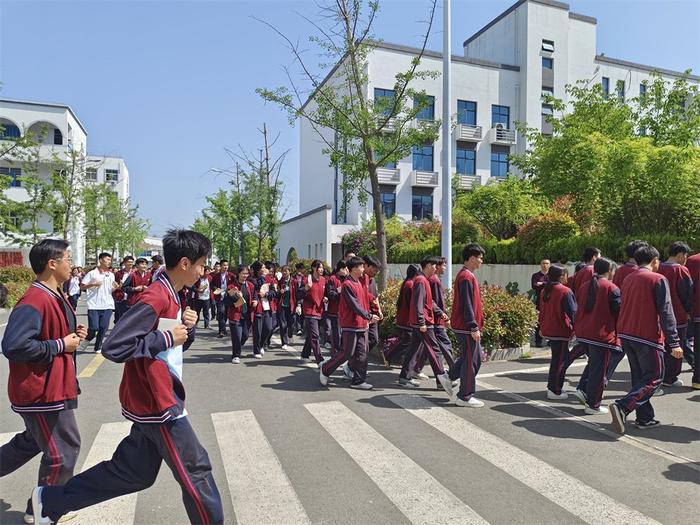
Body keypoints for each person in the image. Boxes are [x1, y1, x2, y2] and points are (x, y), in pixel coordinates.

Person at [31, 229, 224, 525]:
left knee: (133, 473)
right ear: (185, 263)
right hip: (159, 403)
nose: (203, 271)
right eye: (201, 264)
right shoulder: (156, 295)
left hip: (156, 399)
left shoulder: (170, 293)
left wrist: (187, 328)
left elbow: (167, 344)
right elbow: (115, 346)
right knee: (197, 471)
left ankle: (51, 501)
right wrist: (165, 337)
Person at [1, 239, 87, 524]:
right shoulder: (35, 299)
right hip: (42, 392)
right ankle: (43, 508)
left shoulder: (53, 294)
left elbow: (49, 335)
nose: (71, 263)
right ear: (52, 263)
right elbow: (13, 345)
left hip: (52, 387)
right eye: (68, 258)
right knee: (62, 450)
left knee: (31, 442)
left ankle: (42, 504)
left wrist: (71, 335)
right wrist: (61, 345)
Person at [610, 245, 682, 434]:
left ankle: (645, 417)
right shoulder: (657, 279)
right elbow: (666, 311)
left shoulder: (628, 277)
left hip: (627, 333)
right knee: (654, 378)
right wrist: (674, 341)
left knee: (639, 378)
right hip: (647, 335)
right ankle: (623, 406)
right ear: (654, 260)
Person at [319, 256, 379, 390]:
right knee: (346, 353)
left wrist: (374, 306)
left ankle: (358, 381)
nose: (363, 269)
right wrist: (368, 316)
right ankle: (325, 369)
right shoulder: (347, 284)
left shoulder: (359, 282)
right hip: (350, 324)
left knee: (363, 353)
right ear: (353, 268)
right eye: (361, 266)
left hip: (362, 324)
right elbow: (355, 305)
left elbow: (364, 299)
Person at [397, 256, 454, 397]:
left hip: (421, 323)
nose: (436, 267)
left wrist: (440, 313)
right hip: (423, 323)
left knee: (413, 349)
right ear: (428, 265)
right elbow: (418, 303)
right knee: (435, 351)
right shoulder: (421, 281)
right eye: (434, 265)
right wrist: (422, 322)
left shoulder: (423, 280)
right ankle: (442, 380)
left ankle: (405, 377)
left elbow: (430, 302)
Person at [571, 258, 621, 414]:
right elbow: (619, 311)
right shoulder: (611, 288)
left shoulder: (586, 286)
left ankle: (584, 392)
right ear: (609, 270)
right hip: (601, 336)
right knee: (599, 372)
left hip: (584, 333)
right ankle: (593, 405)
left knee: (594, 367)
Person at [449, 244, 486, 407]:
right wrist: (473, 327)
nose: (481, 261)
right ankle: (464, 396)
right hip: (466, 327)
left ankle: (449, 377)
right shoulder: (466, 277)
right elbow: (467, 304)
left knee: (470, 358)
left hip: (465, 326)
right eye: (479, 258)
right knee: (473, 359)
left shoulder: (467, 275)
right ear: (471, 258)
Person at [657, 241, 693, 388]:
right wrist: (689, 311)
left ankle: (661, 374)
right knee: (677, 346)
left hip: (659, 315)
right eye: (685, 256)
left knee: (663, 346)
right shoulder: (680, 270)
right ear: (679, 255)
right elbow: (688, 294)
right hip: (677, 315)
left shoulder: (658, 268)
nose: (685, 259)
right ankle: (670, 377)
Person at [539, 264, 577, 400]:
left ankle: (553, 387)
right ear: (562, 276)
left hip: (549, 329)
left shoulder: (545, 290)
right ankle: (554, 389)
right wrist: (578, 328)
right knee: (560, 361)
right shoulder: (565, 291)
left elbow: (542, 311)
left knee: (557, 360)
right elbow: (573, 313)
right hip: (561, 331)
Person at [80, 252, 117, 353]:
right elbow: (82, 286)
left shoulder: (111, 275)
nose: (109, 262)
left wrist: (115, 288)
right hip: (94, 305)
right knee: (93, 327)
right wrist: (92, 284)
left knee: (103, 327)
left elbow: (110, 290)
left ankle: (98, 347)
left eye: (110, 260)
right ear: (100, 260)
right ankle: (87, 340)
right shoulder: (92, 273)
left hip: (108, 305)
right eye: (107, 259)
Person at [383, 264, 419, 364]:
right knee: (407, 341)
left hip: (403, 317)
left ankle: (391, 356)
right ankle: (389, 355)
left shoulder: (406, 283)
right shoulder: (411, 284)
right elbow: (412, 303)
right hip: (407, 319)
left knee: (406, 340)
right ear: (416, 274)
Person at [300, 259, 327, 365]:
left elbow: (326, 293)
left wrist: (326, 298)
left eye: (322, 267)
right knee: (315, 336)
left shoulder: (324, 280)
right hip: (310, 311)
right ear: (313, 268)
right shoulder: (308, 280)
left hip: (320, 310)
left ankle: (305, 354)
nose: (321, 269)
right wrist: (306, 288)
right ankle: (319, 359)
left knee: (311, 335)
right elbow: (299, 294)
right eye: (319, 267)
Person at [227, 265, 255, 363]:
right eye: (243, 273)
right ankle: (236, 355)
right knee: (236, 337)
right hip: (235, 315)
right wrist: (237, 296)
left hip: (247, 315)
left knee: (246, 335)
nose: (245, 275)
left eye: (246, 273)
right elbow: (229, 300)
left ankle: (238, 346)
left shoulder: (250, 285)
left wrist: (255, 301)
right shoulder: (231, 286)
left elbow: (254, 296)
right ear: (238, 274)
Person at [251, 261, 277, 358]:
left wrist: (266, 294)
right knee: (257, 330)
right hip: (258, 307)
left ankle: (261, 344)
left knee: (268, 328)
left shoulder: (269, 279)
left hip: (267, 306)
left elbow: (273, 292)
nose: (264, 269)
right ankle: (256, 350)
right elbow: (257, 287)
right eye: (262, 267)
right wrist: (262, 277)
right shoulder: (253, 279)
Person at [325, 260, 348, 355]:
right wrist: (341, 294)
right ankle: (335, 354)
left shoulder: (348, 279)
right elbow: (330, 294)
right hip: (335, 311)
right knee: (337, 335)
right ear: (341, 269)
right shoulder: (333, 279)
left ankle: (341, 354)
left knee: (344, 335)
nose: (347, 270)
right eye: (346, 268)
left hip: (345, 312)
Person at [686, 251, 700, 389]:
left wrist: (687, 309)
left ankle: (698, 379)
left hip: (697, 310)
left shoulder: (692, 260)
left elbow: (688, 287)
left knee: (698, 347)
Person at [531, 259, 550, 347]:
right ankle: (538, 340)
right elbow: (534, 286)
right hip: (539, 301)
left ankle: (550, 340)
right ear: (540, 264)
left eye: (547, 263)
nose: (545, 265)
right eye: (543, 263)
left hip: (551, 301)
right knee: (539, 320)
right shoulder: (536, 275)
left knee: (550, 320)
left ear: (549, 265)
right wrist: (545, 284)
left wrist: (542, 284)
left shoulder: (551, 275)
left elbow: (552, 285)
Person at [210, 259, 232, 338]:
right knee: (221, 312)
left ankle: (223, 328)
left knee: (226, 313)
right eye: (224, 265)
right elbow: (211, 285)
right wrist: (216, 289)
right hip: (219, 297)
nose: (226, 267)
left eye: (227, 265)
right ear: (221, 266)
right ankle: (221, 331)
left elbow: (235, 284)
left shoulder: (231, 276)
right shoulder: (216, 276)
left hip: (228, 297)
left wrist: (229, 289)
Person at [276, 265, 296, 351]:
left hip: (291, 305)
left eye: (286, 271)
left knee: (291, 323)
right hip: (282, 305)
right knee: (283, 324)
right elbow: (276, 292)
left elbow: (297, 293)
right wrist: (280, 292)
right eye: (283, 271)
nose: (284, 273)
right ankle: (284, 342)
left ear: (289, 271)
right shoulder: (280, 282)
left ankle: (290, 334)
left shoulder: (294, 281)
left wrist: (298, 304)